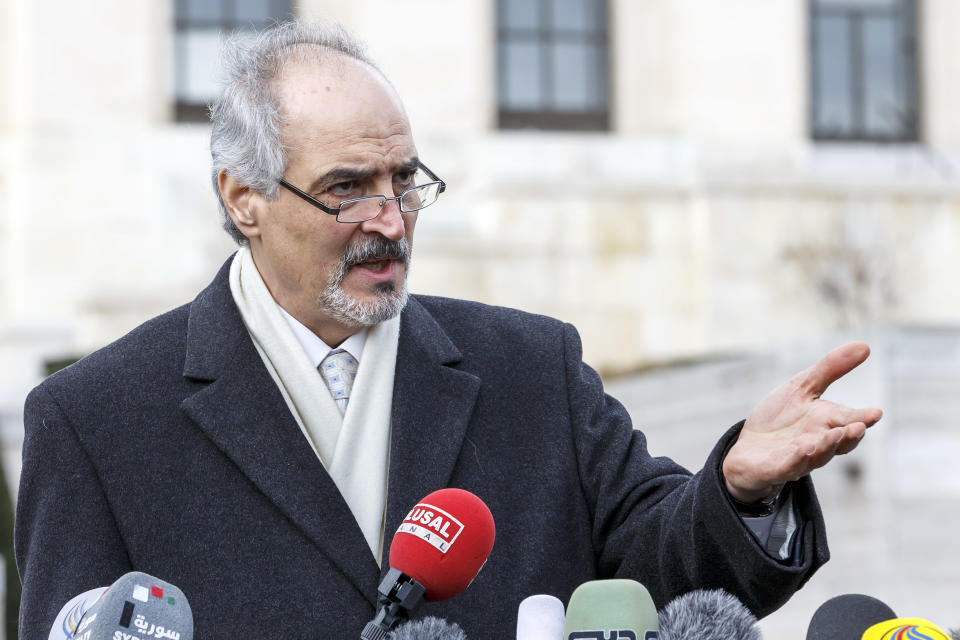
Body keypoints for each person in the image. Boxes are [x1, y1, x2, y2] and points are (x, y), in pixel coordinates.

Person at [15, 21, 881, 639]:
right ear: (242, 198)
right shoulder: (94, 422)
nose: (390, 220)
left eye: (406, 180)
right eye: (348, 187)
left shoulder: (533, 369)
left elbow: (653, 572)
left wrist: (737, 489)